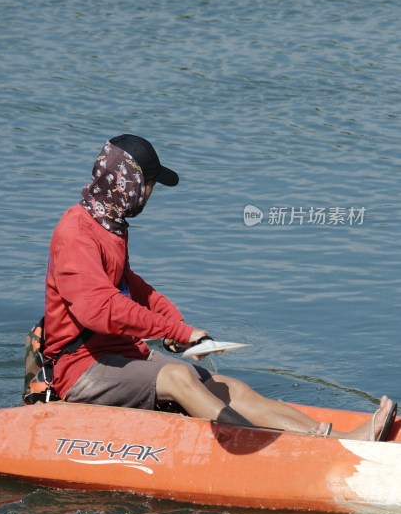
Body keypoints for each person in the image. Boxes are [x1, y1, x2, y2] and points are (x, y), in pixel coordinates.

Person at [41, 134, 396, 441]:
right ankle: (261, 449)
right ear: (128, 183)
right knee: (179, 376)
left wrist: (174, 322)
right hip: (81, 368)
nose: (149, 193)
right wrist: (177, 329)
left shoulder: (110, 226)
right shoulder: (76, 233)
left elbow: (133, 288)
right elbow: (99, 309)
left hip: (121, 355)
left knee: (229, 387)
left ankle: (333, 438)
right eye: (148, 183)